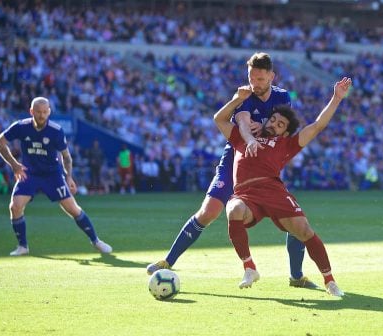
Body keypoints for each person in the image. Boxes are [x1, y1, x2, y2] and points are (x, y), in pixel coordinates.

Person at [147, 53, 317, 288]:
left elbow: (282, 129)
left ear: (271, 76)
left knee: (293, 218)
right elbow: (243, 126)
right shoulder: (244, 95)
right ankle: (168, 261)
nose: (254, 83)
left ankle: (296, 277)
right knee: (208, 212)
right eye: (251, 77)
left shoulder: (283, 97)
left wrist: (265, 129)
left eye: (259, 78)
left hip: (265, 164)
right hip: (236, 158)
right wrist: (249, 139)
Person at [214, 77, 352, 296]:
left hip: (273, 191)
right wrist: (235, 101)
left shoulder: (287, 144)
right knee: (233, 210)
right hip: (246, 194)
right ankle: (249, 268)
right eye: (273, 120)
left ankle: (330, 281)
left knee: (304, 231)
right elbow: (219, 119)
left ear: (285, 132)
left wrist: (336, 98)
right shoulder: (244, 136)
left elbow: (317, 126)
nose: (273, 125)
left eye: (280, 125)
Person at [0, 97, 112, 256]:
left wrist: (69, 177)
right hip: (30, 173)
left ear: (49, 111)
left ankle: (96, 241)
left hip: (52, 174)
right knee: (15, 206)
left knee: (73, 209)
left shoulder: (56, 130)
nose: (42, 115)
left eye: (45, 112)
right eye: (38, 112)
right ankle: (23, 246)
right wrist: (14, 165)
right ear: (31, 111)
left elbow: (66, 157)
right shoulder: (21, 127)